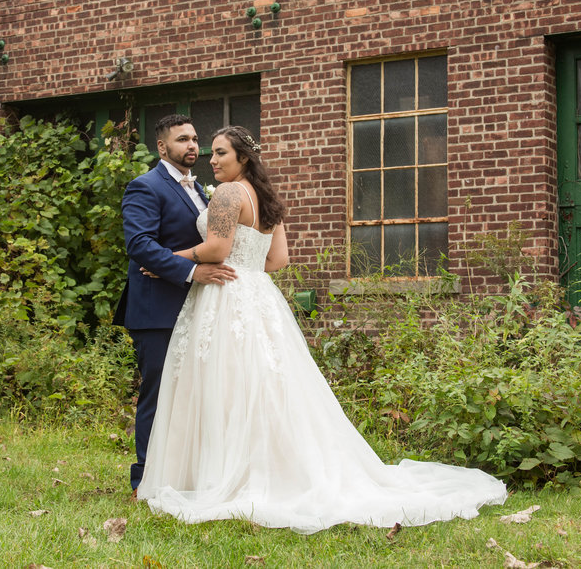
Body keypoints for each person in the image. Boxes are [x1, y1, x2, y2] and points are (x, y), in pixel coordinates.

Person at [136, 126, 507, 534]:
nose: (212, 159)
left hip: (226, 294)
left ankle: (220, 474)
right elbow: (278, 260)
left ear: (242, 158)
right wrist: (246, 264)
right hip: (259, 294)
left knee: (225, 384)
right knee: (263, 386)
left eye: (221, 153)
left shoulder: (226, 194)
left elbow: (218, 251)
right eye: (212, 153)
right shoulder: (266, 197)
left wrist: (168, 258)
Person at [114, 114, 237, 496]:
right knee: (159, 393)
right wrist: (191, 271)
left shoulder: (200, 188)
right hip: (157, 309)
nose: (193, 146)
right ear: (162, 147)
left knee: (191, 395)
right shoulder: (145, 186)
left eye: (195, 138)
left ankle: (185, 475)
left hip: (197, 310)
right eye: (183, 139)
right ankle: (143, 479)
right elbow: (140, 246)